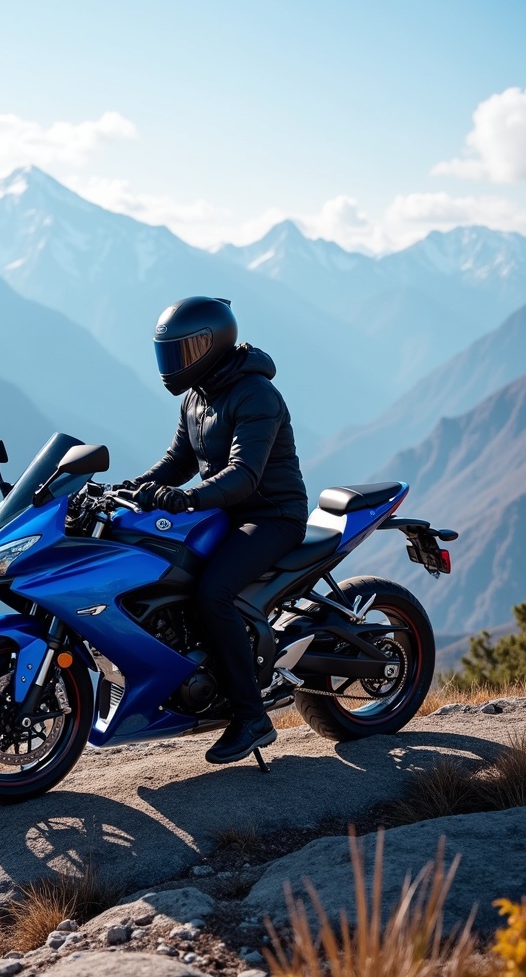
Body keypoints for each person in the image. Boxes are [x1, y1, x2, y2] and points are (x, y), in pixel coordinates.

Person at [125, 296, 308, 765]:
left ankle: (251, 718)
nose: (174, 365)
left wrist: (188, 498)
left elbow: (245, 473)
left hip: (271, 515)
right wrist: (136, 487)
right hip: (224, 512)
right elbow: (179, 460)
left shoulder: (255, 394)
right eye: (169, 354)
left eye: (182, 353)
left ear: (212, 345)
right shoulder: (198, 395)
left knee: (213, 592)